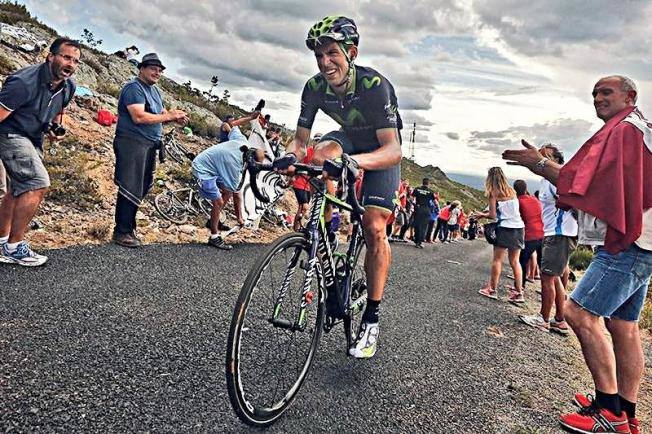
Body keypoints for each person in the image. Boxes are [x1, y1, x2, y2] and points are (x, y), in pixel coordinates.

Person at [503, 75, 651, 434]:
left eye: (606, 92)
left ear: (630, 96)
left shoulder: (626, 131)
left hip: (629, 239)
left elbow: (591, 184)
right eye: (595, 93)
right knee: (623, 325)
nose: (598, 98)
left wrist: (538, 164)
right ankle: (626, 411)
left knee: (578, 313)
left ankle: (608, 410)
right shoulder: (637, 127)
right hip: (643, 239)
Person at [274, 16, 402, 359]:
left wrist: (358, 164)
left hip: (377, 150)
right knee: (321, 153)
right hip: (347, 140)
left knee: (374, 226)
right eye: (319, 56)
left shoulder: (375, 85)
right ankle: (325, 229)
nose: (324, 62)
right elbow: (300, 140)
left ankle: (371, 319)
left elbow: (393, 150)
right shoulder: (314, 87)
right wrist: (287, 155)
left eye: (332, 53)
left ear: (352, 53)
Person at [0, 37, 80, 266]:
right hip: (10, 133)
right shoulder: (23, 82)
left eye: (75, 61)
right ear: (50, 56)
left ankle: (2, 240)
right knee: (36, 182)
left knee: (17, 189)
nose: (71, 64)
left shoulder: (68, 86)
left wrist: (54, 127)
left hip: (34, 137)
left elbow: (58, 109)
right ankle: (14, 247)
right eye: (66, 57)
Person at [112, 53, 189, 247]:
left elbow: (161, 113)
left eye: (160, 70)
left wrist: (175, 117)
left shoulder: (154, 91)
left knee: (143, 185)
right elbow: (139, 117)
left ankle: (129, 226)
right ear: (142, 68)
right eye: (153, 68)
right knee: (130, 184)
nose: (158, 73)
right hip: (132, 142)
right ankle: (122, 231)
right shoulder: (133, 88)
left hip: (149, 144)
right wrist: (169, 116)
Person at [517, 147, 576, 337]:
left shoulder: (554, 179)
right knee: (555, 277)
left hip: (558, 233)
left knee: (547, 277)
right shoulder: (546, 181)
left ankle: (543, 319)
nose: (539, 158)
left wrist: (571, 224)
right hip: (556, 233)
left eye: (545, 156)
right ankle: (559, 320)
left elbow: (571, 201)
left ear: (556, 160)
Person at [192, 121, 262, 250]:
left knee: (227, 192)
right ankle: (214, 237)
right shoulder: (235, 165)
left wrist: (250, 117)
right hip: (201, 169)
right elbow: (237, 196)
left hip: (212, 166)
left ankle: (213, 219)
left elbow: (230, 125)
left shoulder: (243, 141)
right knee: (218, 201)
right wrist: (239, 219)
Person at [473, 167, 525, 303]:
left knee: (497, 260)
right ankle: (519, 293)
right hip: (519, 227)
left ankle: (492, 290)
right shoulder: (512, 191)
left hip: (505, 228)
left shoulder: (493, 193)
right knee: (515, 261)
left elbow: (493, 215)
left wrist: (481, 215)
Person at [511, 179, 544, 295]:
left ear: (514, 190)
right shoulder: (535, 200)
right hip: (542, 234)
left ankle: (520, 286)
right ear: (525, 189)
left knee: (521, 261)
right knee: (542, 264)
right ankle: (546, 289)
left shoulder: (517, 202)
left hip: (530, 235)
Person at [291, 134, 318, 231]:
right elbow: (297, 163)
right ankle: (296, 228)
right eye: (316, 140)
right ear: (313, 141)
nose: (318, 142)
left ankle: (296, 228)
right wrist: (293, 176)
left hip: (309, 184)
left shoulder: (320, 155)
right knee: (305, 206)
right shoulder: (307, 151)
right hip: (299, 181)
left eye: (320, 141)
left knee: (302, 208)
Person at [411, 177, 435, 248]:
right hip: (426, 209)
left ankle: (416, 240)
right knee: (424, 226)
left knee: (417, 225)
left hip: (418, 208)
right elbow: (433, 201)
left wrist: (414, 205)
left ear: (422, 182)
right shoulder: (431, 191)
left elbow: (412, 198)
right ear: (428, 183)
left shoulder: (417, 189)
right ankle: (420, 242)